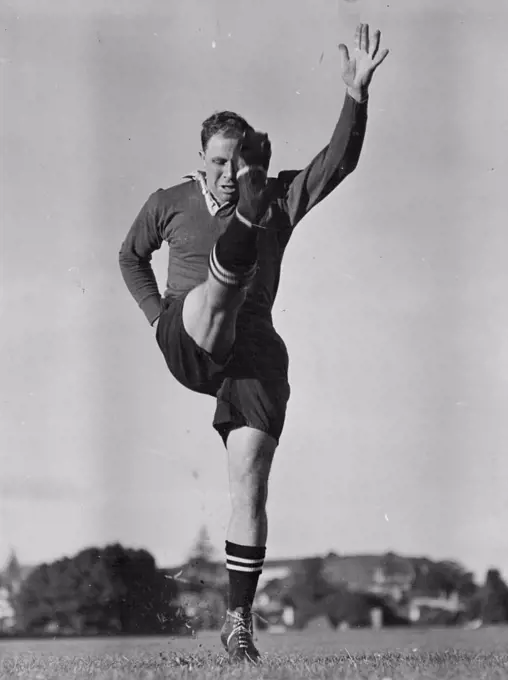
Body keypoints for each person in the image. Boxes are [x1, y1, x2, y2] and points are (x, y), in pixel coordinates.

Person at [119, 23, 388, 663]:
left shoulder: (282, 195)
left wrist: (356, 95)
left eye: (240, 164)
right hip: (190, 329)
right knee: (218, 298)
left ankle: (238, 620)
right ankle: (238, 236)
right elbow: (130, 256)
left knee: (249, 480)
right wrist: (157, 316)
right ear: (204, 159)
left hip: (253, 351)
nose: (228, 170)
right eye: (219, 163)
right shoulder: (171, 202)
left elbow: (339, 161)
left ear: (251, 160)